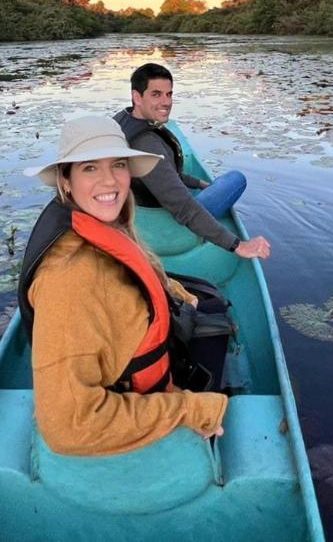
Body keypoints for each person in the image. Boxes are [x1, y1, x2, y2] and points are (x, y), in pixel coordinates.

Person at [18, 115, 228, 456]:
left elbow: (133, 271)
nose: (109, 182)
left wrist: (174, 291)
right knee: (216, 325)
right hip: (135, 397)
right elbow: (69, 427)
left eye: (118, 165)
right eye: (89, 168)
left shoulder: (95, 221)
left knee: (208, 299)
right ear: (65, 180)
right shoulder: (68, 282)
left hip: (140, 363)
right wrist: (191, 409)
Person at [114, 63, 271, 259]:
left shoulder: (122, 119)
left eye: (169, 94)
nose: (166, 102)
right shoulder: (147, 145)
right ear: (137, 97)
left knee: (207, 185)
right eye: (156, 94)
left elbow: (163, 175)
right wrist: (237, 245)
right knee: (236, 179)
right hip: (166, 230)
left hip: (140, 213)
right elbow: (183, 207)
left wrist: (199, 183)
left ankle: (206, 186)